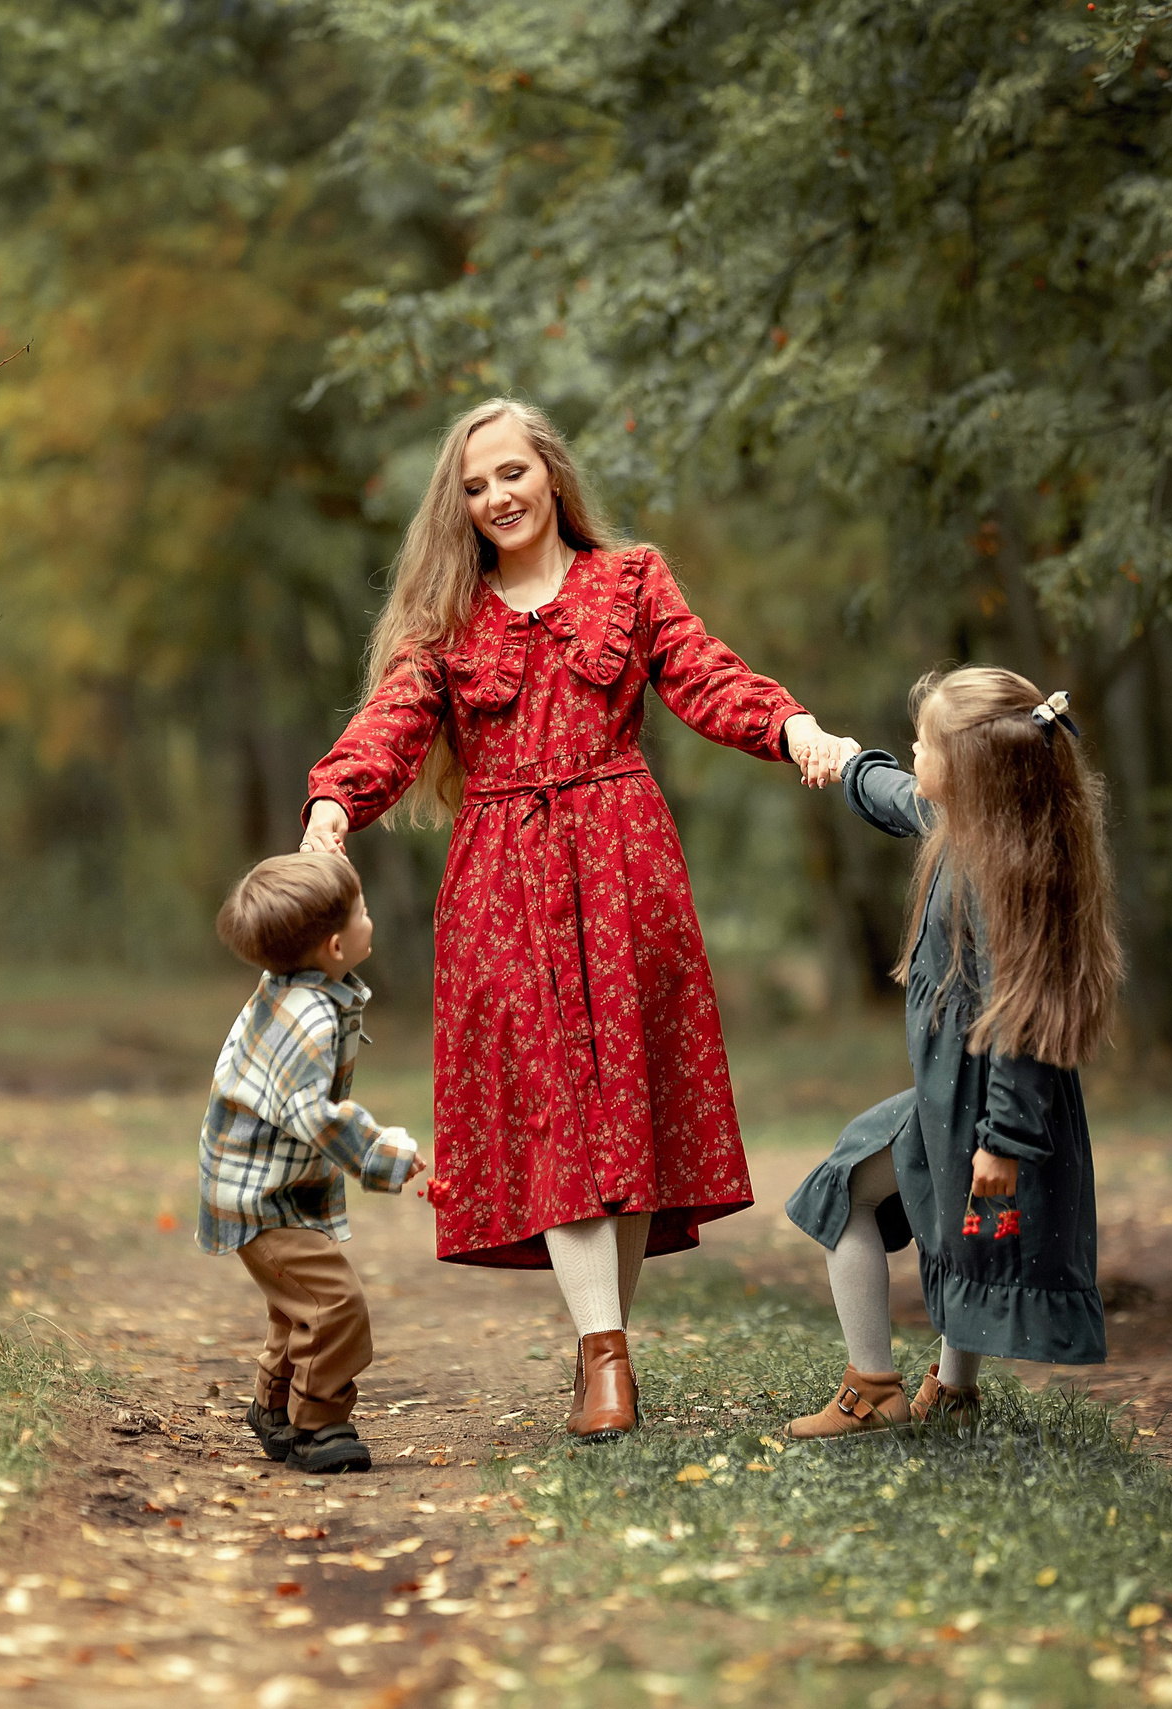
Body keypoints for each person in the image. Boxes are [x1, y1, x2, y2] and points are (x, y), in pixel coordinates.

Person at [300, 397, 856, 1442]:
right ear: (458, 507)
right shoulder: (447, 623)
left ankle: (600, 1333)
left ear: (550, 473)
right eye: (473, 486)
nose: (497, 496)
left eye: (511, 473)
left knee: (623, 1105)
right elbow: (389, 724)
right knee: (557, 1102)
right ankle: (608, 1358)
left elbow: (702, 672)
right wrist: (334, 802)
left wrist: (791, 727)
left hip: (623, 860)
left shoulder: (629, 579)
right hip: (502, 884)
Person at [782, 667, 1123, 1437]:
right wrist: (846, 760)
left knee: (842, 1188)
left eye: (926, 741)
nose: (914, 747)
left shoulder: (1003, 875)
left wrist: (1003, 1142)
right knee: (958, 1240)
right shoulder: (967, 830)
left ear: (968, 774)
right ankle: (956, 1390)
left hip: (987, 1111)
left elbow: (1023, 1020)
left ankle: (872, 1387)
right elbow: (898, 794)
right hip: (955, 1103)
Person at [200, 851, 424, 1474]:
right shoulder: (311, 1018)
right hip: (260, 1198)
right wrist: (385, 1155)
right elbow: (313, 1113)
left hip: (265, 1184)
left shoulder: (293, 981)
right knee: (335, 1305)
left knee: (295, 1303)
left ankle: (273, 1407)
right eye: (362, 911)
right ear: (333, 944)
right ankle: (319, 1423)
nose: (369, 918)